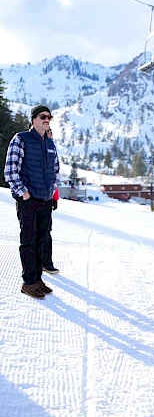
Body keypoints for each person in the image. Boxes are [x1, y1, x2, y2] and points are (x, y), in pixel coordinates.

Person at [4, 104, 60, 299]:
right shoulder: (21, 139)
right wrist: (23, 193)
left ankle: (38, 279)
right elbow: (10, 171)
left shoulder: (50, 144)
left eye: (49, 117)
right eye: (42, 116)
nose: (46, 119)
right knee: (28, 241)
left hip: (45, 200)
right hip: (29, 200)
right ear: (34, 119)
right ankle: (28, 282)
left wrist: (52, 190)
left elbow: (56, 171)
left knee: (41, 241)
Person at [41, 126, 60, 274]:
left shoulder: (51, 149)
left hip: (48, 198)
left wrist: (55, 198)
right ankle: (36, 263)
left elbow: (54, 176)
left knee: (47, 231)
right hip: (33, 197)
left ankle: (47, 262)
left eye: (50, 133)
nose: (49, 135)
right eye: (48, 132)